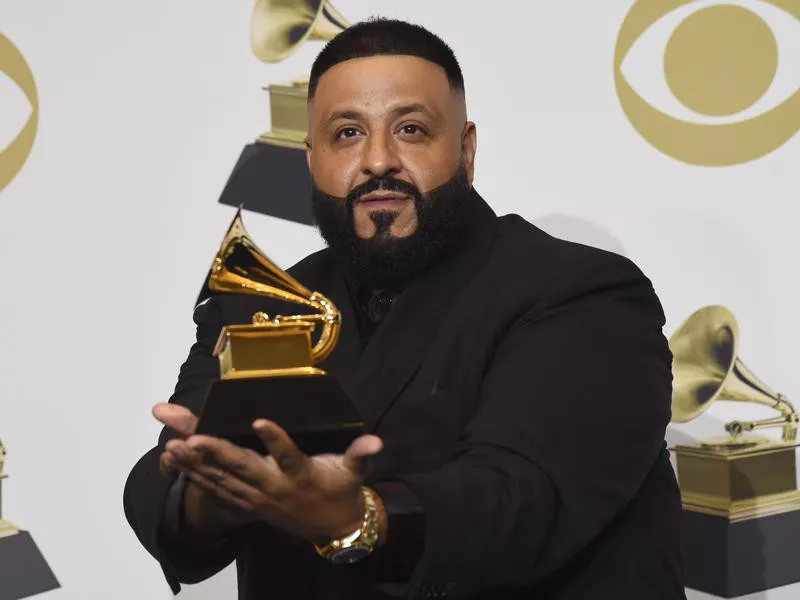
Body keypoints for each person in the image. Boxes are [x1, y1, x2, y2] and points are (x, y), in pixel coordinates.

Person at [124, 18, 686, 600]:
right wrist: (204, 497)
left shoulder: (585, 292)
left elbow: (519, 500)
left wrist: (354, 518)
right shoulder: (251, 305)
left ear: (466, 150)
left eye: (411, 129)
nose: (378, 160)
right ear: (310, 160)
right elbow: (160, 476)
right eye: (347, 133)